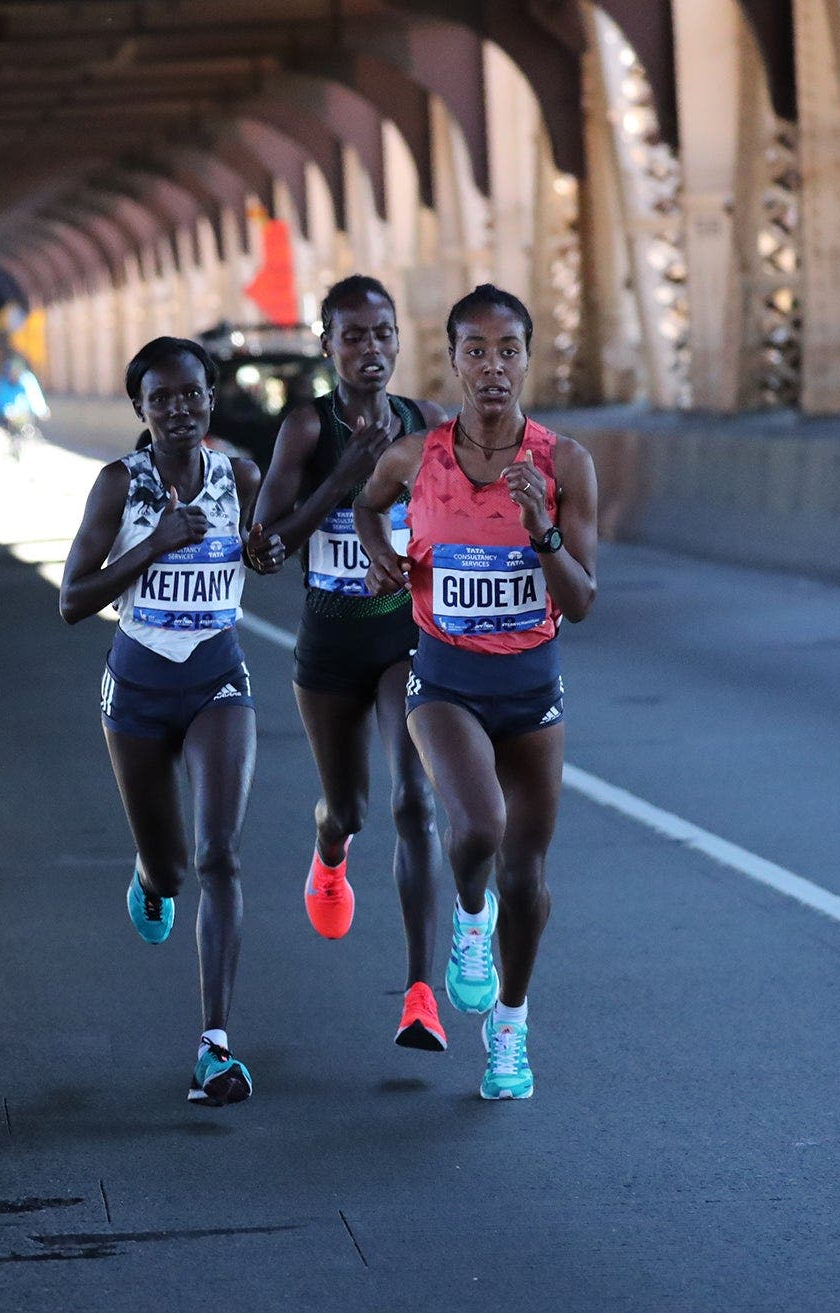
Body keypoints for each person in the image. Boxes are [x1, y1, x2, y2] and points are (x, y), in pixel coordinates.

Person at [352, 285, 598, 1100]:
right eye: (475, 350)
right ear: (452, 360)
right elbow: (365, 504)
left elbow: (582, 599)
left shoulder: (563, 464)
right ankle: (466, 917)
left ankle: (510, 1029)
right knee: (479, 826)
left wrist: (545, 533)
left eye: (508, 350)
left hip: (531, 688)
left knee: (526, 875)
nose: (493, 367)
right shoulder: (413, 457)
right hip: (446, 678)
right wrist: (381, 554)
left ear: (529, 358)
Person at [58, 336, 286, 1107]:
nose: (179, 409)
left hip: (218, 678)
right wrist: (152, 546)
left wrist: (265, 548)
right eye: (162, 399)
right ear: (141, 411)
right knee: (171, 867)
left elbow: (266, 549)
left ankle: (214, 1047)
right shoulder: (121, 485)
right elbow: (72, 599)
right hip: (138, 689)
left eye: (192, 394)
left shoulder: (240, 474)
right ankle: (150, 877)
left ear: (211, 400)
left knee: (218, 853)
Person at [253, 274, 451, 1053]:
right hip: (329, 645)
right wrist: (344, 479)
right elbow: (264, 547)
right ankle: (329, 851)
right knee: (353, 808)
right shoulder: (308, 428)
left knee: (414, 799)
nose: (371, 348)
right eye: (354, 335)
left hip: (405, 637)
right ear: (327, 344)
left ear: (401, 341)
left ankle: (419, 994)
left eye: (383, 333)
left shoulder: (427, 424)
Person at [0, 355, 51, 459]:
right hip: (10, 415)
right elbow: (0, 398)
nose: (15, 374)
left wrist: (41, 410)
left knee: (29, 428)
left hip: (26, 412)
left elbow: (34, 395)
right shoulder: (4, 383)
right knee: (12, 432)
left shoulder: (27, 380)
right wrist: (6, 409)